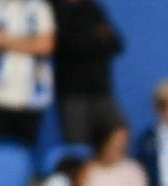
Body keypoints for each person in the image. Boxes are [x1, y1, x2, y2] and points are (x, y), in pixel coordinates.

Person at [0, 0, 57, 147]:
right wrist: (32, 42)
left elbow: (46, 46)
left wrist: (4, 39)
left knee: (25, 157)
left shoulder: (40, 7)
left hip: (32, 97)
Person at [53, 0, 126, 146]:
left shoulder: (92, 8)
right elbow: (67, 45)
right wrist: (96, 36)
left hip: (101, 90)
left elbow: (116, 44)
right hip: (72, 93)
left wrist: (92, 37)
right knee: (78, 147)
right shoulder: (54, 7)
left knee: (118, 132)